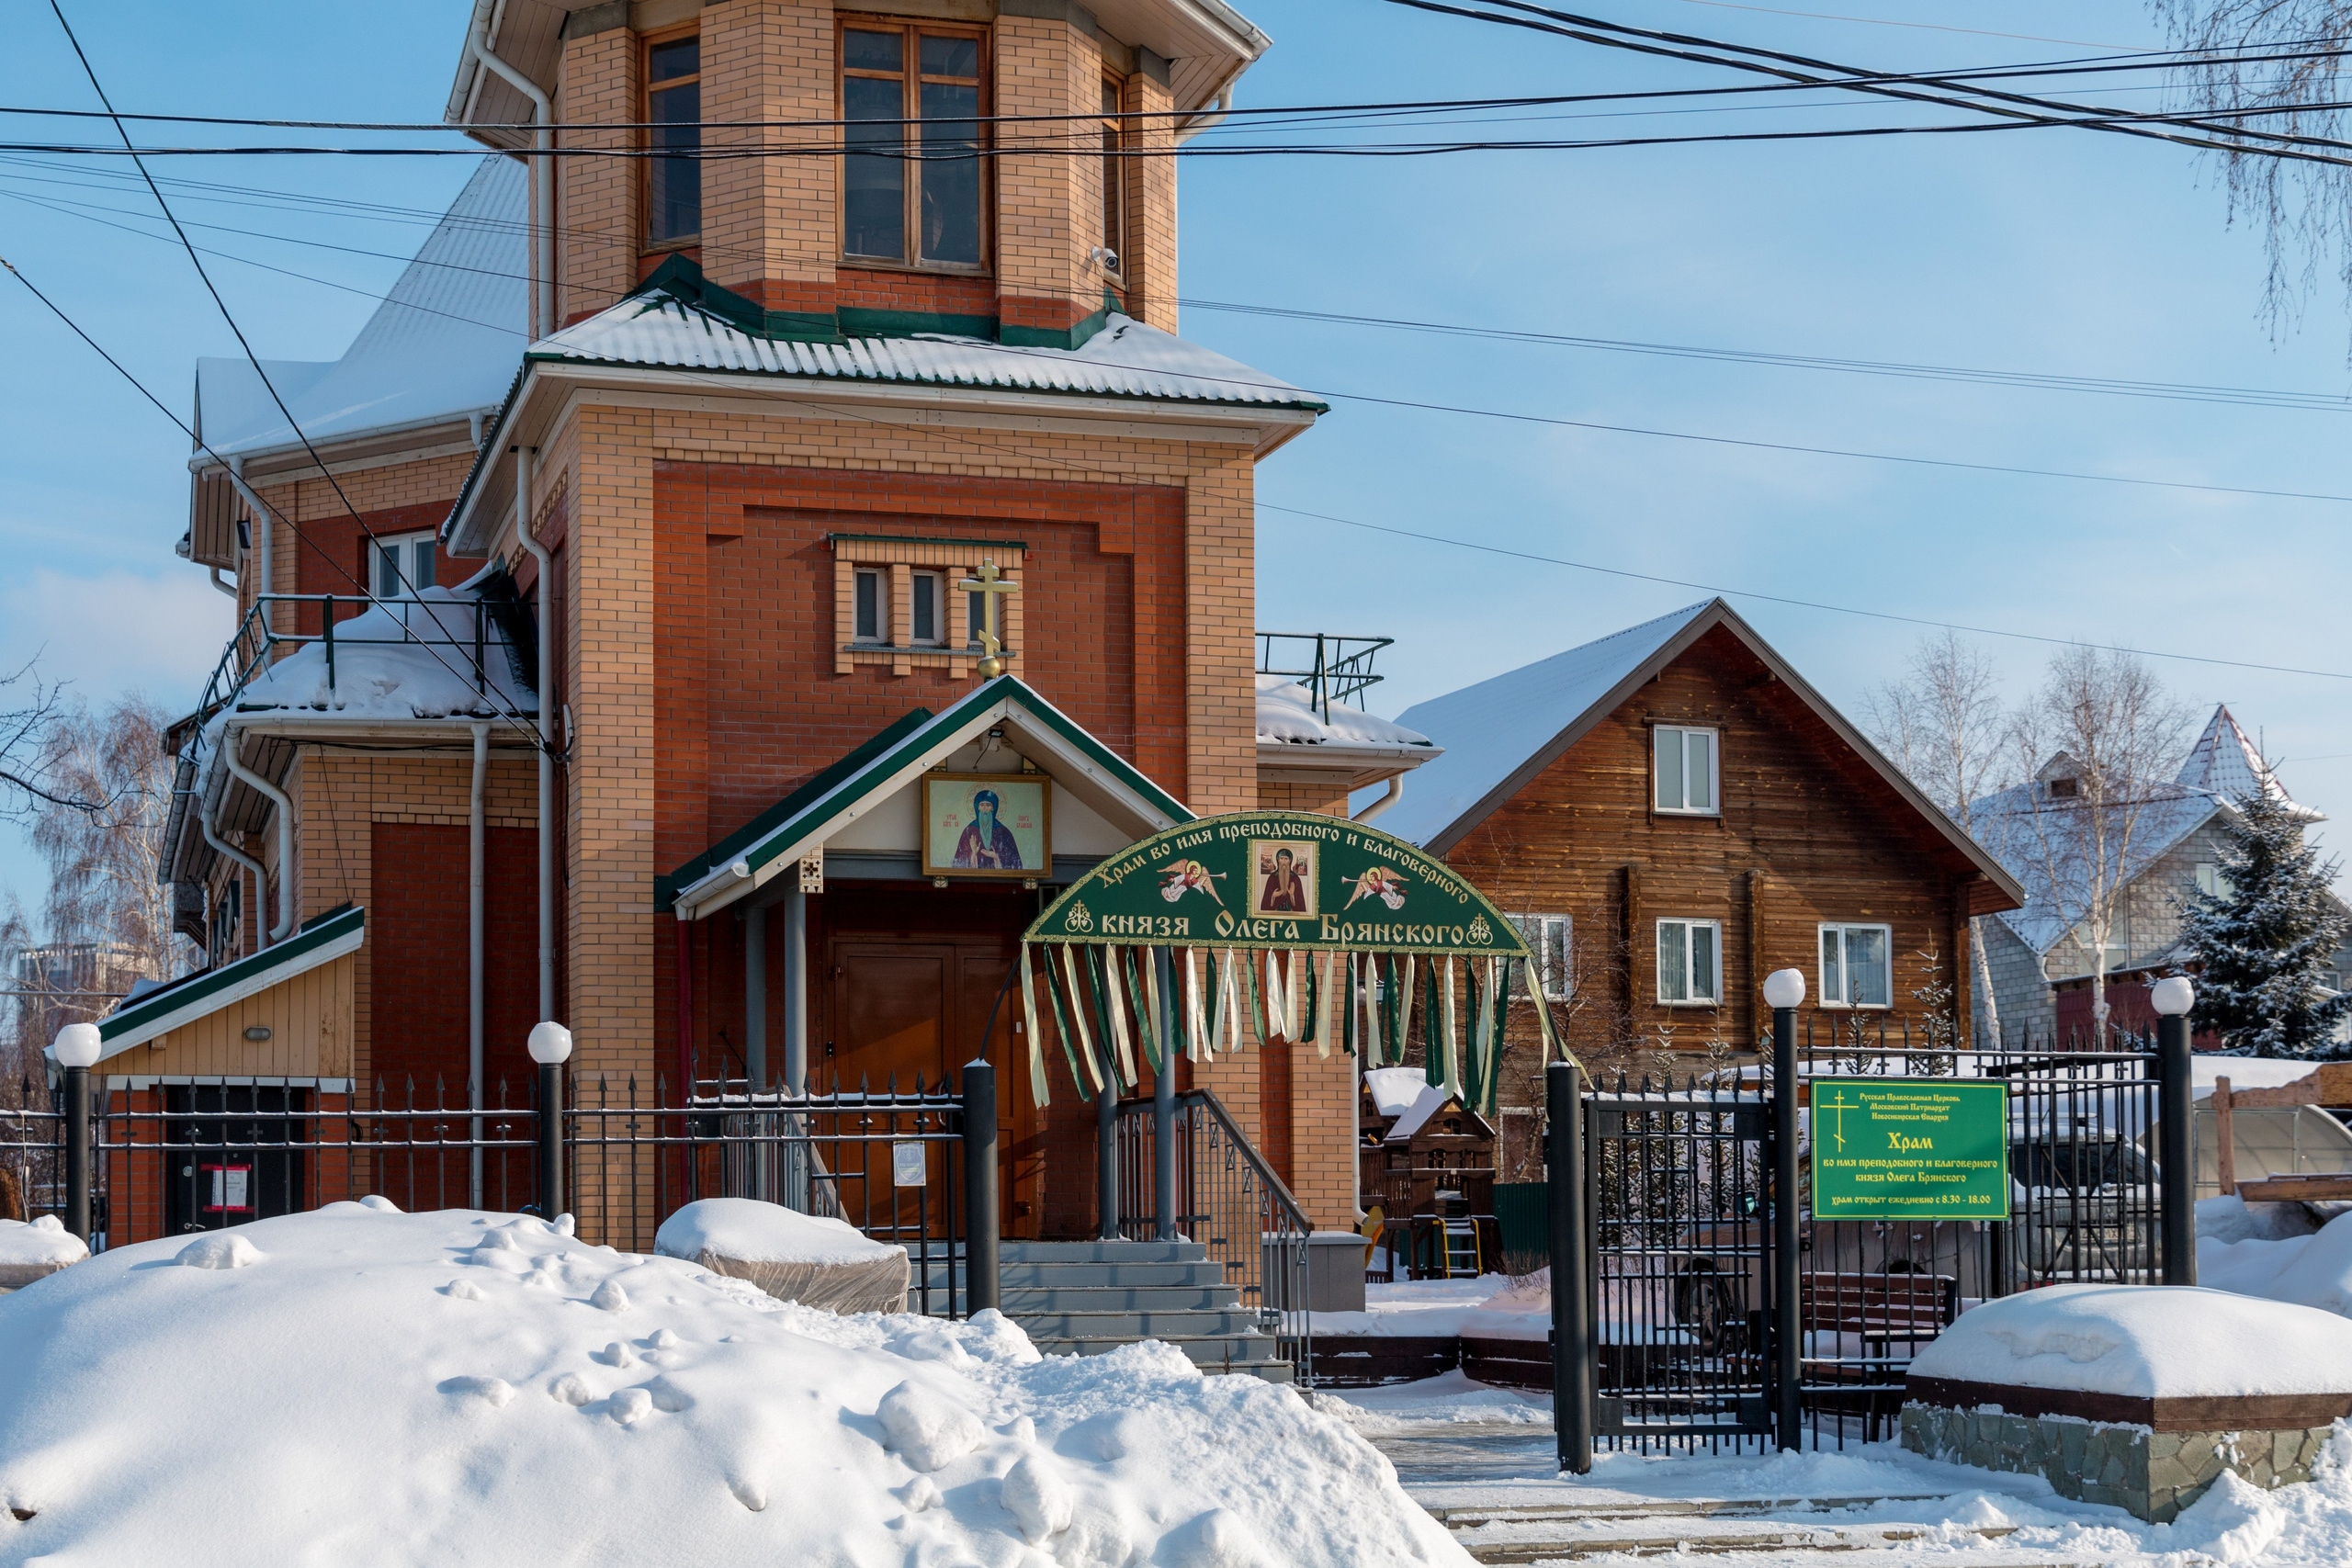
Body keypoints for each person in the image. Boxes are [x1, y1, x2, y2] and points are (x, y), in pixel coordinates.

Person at [952, 788, 1023, 870]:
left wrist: (996, 857)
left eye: (988, 805)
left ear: (993, 808)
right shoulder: (969, 831)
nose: (985, 809)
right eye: (982, 805)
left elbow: (1016, 863)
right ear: (977, 807)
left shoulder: (1003, 832)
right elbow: (958, 864)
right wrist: (973, 854)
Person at [1260, 846, 1308, 912]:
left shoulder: (1295, 878)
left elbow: (1300, 903)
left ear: (1290, 861)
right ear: (1278, 860)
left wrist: (1292, 896)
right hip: (1275, 912)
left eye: (1286, 859)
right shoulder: (1272, 877)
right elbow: (1266, 901)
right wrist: (1273, 896)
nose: (1284, 861)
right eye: (1281, 858)